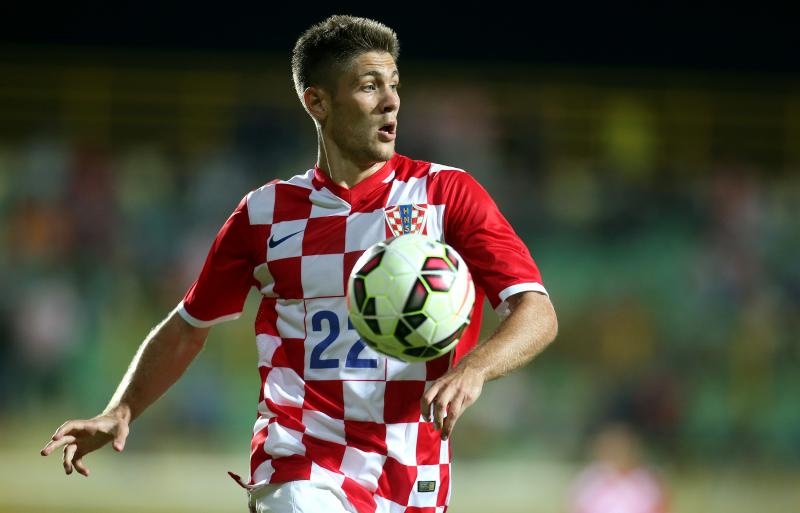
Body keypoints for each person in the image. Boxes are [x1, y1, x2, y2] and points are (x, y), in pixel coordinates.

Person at [40, 15, 558, 513]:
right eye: (369, 85)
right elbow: (187, 326)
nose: (391, 100)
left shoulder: (446, 195)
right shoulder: (264, 214)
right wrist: (121, 409)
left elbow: (536, 311)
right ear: (318, 101)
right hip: (299, 461)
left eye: (394, 84)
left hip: (412, 471)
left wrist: (475, 369)